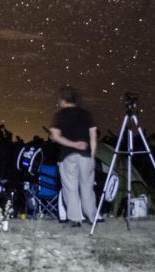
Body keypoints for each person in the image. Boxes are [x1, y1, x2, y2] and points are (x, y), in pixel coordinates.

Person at [49, 85, 97, 227]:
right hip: (86, 156)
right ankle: (92, 217)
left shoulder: (59, 115)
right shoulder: (86, 114)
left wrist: (73, 144)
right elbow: (93, 137)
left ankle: (75, 219)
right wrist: (92, 156)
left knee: (70, 188)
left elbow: (55, 136)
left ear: (62, 99)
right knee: (87, 187)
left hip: (67, 155)